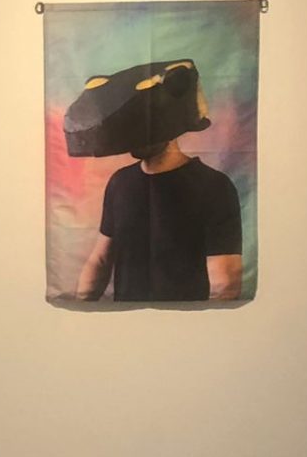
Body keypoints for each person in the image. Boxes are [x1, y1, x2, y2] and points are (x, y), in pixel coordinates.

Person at [64, 58, 243, 302]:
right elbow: (101, 259)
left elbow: (225, 281)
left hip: (184, 321)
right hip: (127, 318)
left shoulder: (214, 186)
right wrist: (83, 309)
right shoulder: (120, 182)